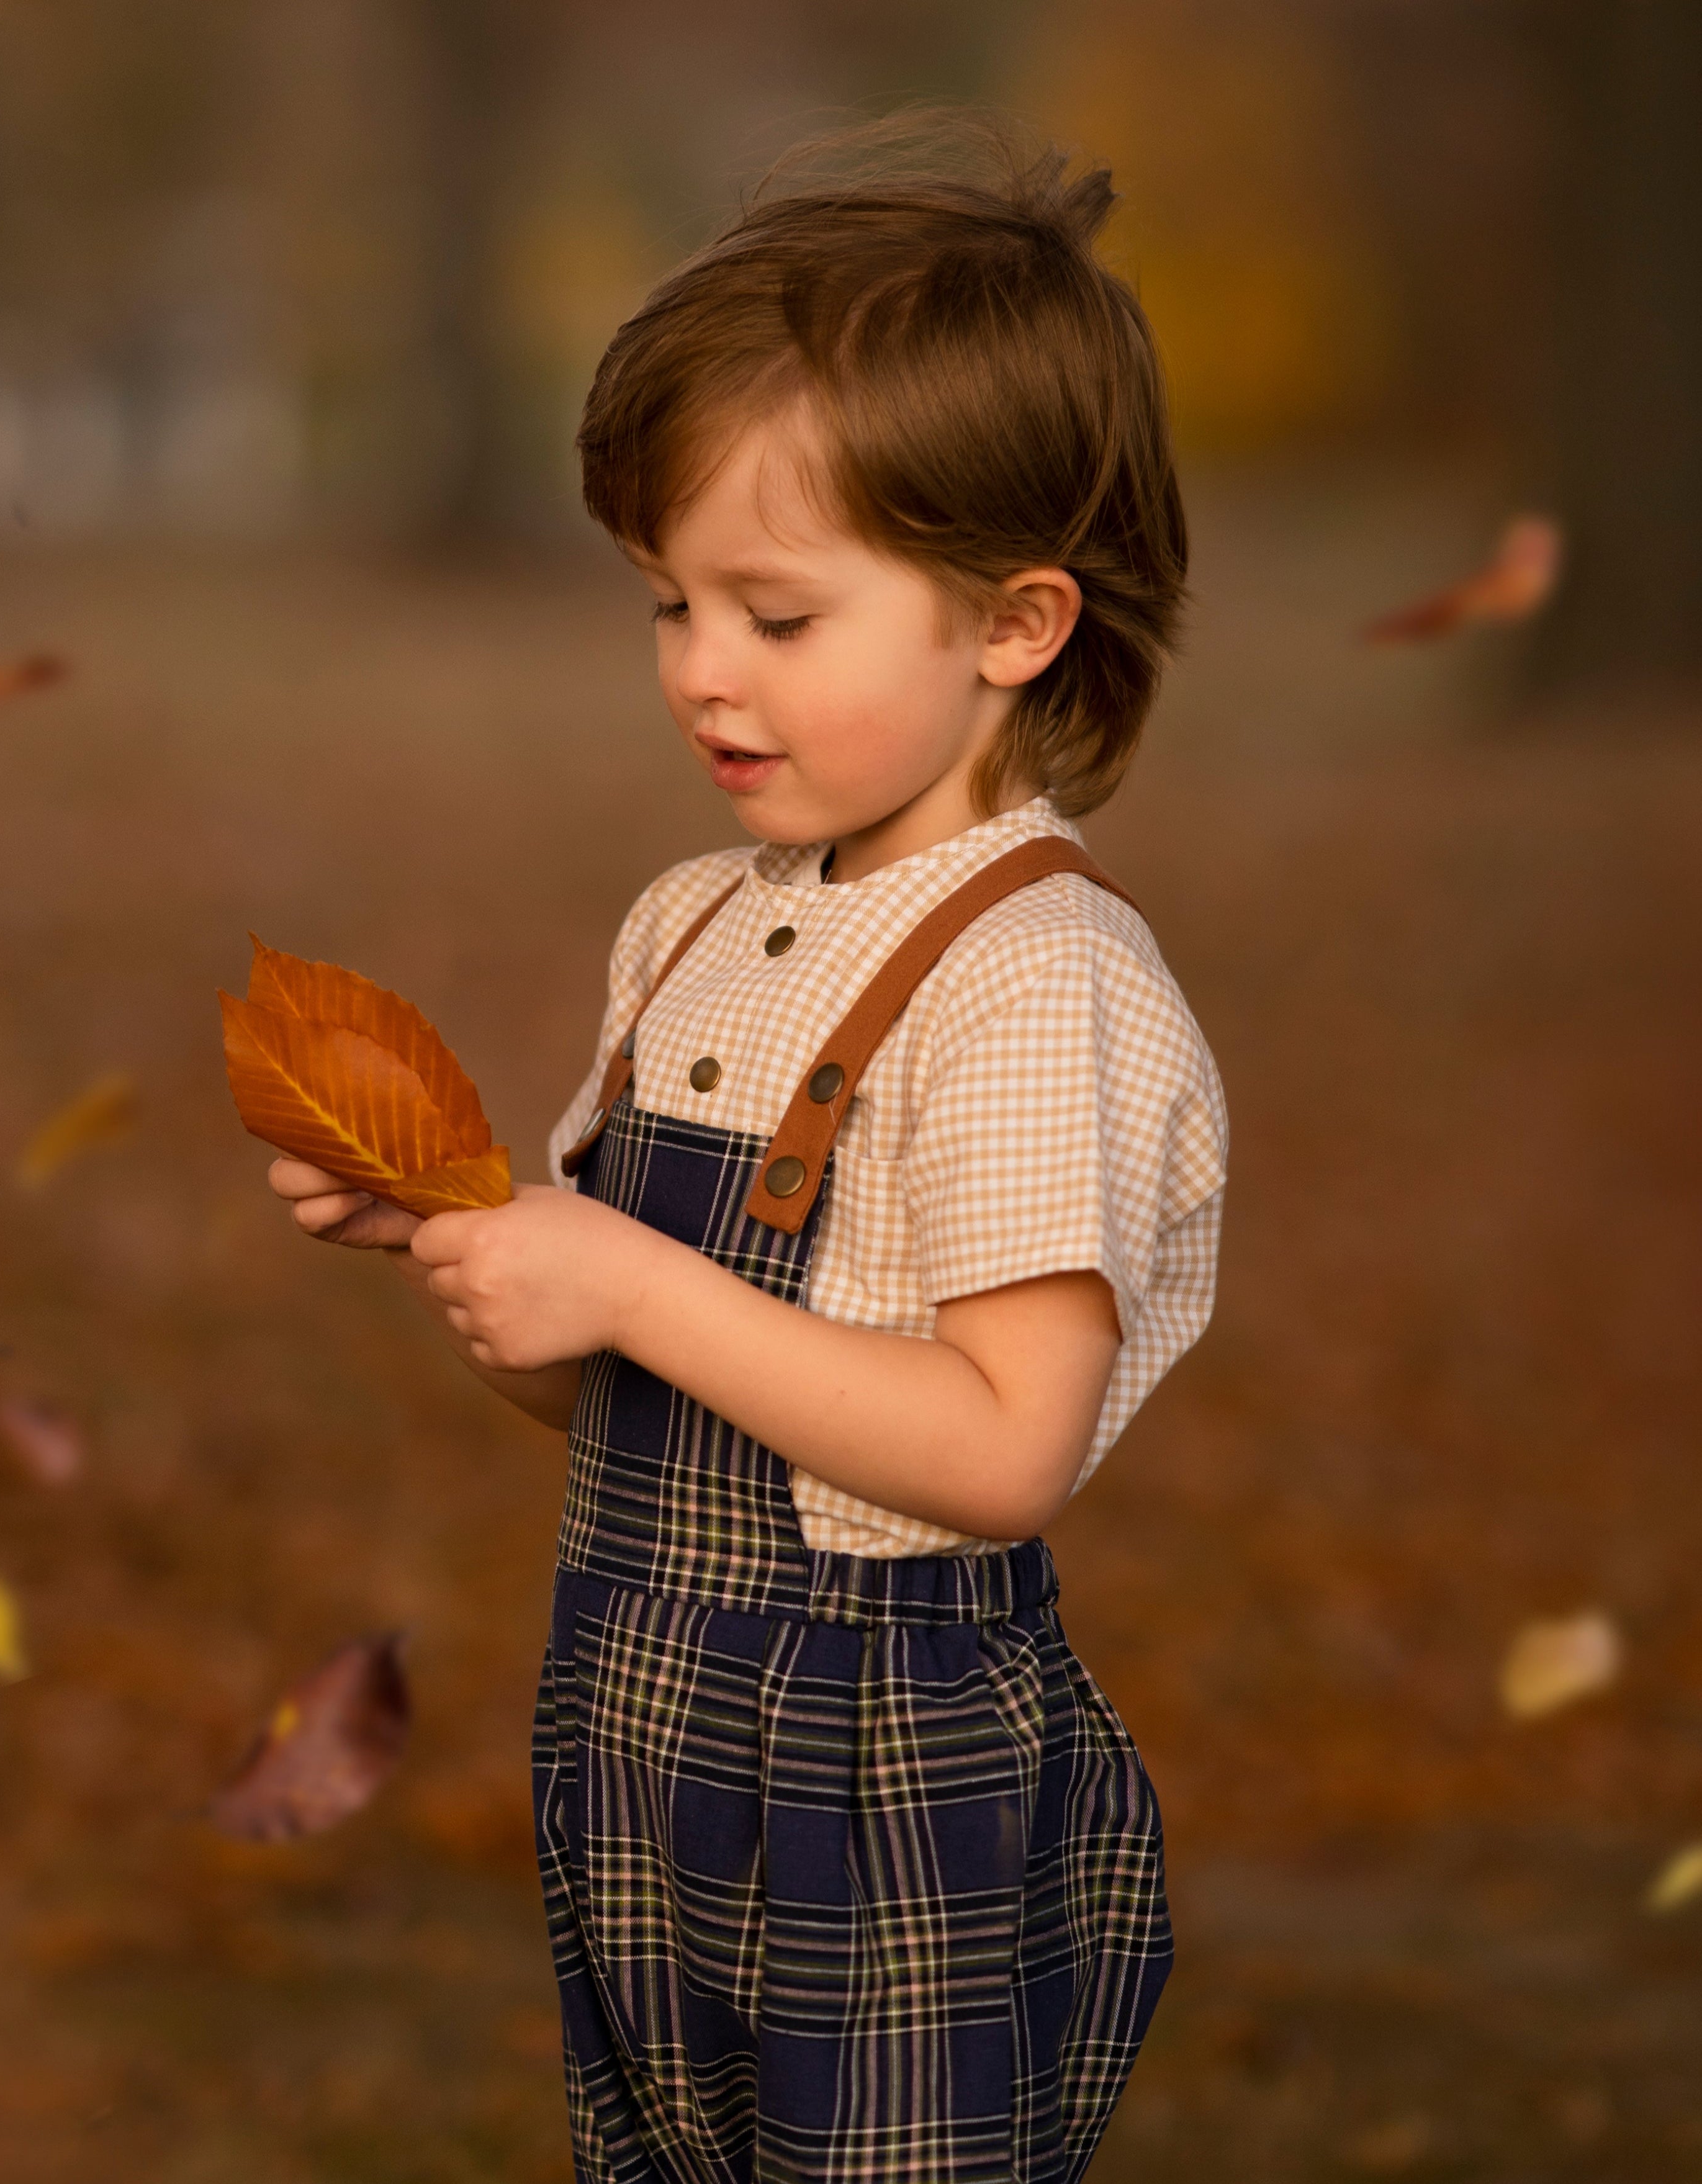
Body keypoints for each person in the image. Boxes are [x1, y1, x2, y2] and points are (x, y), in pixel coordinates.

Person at [268, 112, 1227, 2184]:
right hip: (638, 1730)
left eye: (777, 617)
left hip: (880, 1772)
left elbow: (997, 1450)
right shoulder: (693, 926)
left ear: (1015, 623)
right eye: (666, 606)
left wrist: (626, 1274)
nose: (705, 671)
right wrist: (474, 1243)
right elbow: (621, 1406)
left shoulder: (1029, 983)